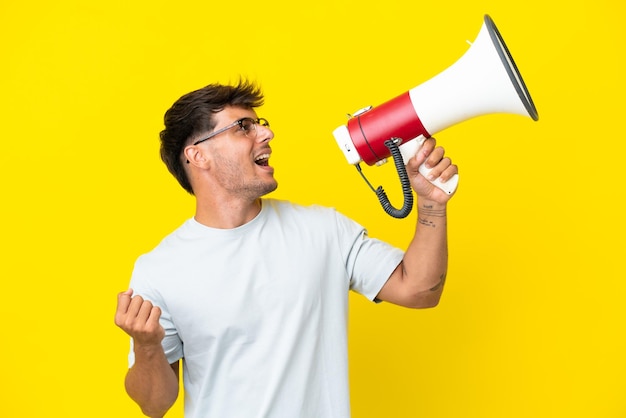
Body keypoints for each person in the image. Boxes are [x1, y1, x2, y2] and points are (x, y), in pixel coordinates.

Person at [114, 79, 458, 418]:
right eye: (243, 127)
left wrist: (431, 205)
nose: (266, 134)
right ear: (198, 155)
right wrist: (146, 347)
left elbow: (419, 290)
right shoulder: (160, 269)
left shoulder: (324, 230)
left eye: (260, 124)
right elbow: (154, 405)